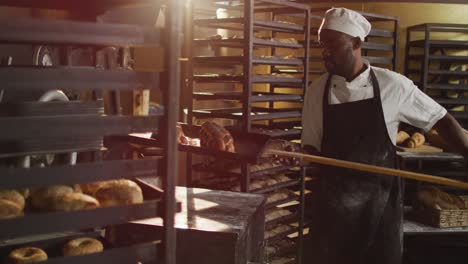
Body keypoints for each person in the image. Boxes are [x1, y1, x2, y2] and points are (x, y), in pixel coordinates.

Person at [301, 7, 468, 264]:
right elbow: (311, 149)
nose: (324, 50)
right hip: (333, 212)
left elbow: (442, 120)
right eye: (321, 43)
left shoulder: (393, 85)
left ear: (356, 43)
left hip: (379, 209)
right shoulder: (317, 91)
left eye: (332, 43)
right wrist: (297, 157)